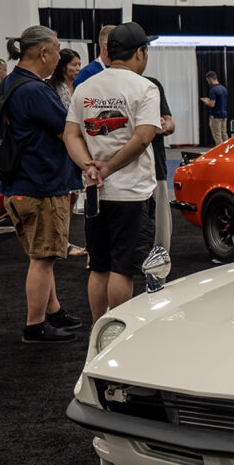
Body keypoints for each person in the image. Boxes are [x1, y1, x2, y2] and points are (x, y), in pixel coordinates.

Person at [64, 22, 161, 323]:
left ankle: (98, 328)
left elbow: (70, 134)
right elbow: (144, 137)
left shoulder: (85, 86)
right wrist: (108, 167)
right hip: (131, 193)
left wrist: (88, 167)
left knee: (99, 267)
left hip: (96, 192)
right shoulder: (145, 87)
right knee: (122, 269)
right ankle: (117, 332)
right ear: (140, 53)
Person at [0, 25, 83, 343]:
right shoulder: (35, 90)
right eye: (57, 49)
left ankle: (54, 311)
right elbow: (67, 132)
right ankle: (35, 325)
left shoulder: (11, 82)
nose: (61, 56)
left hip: (21, 184)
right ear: (44, 53)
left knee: (43, 254)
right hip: (40, 186)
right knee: (43, 259)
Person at [48, 48, 87, 257]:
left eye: (79, 64)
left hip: (77, 146)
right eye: (74, 64)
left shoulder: (80, 88)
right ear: (63, 66)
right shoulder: (52, 88)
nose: (78, 68)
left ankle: (63, 239)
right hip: (58, 149)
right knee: (60, 199)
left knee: (72, 195)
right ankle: (58, 241)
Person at [144, 76, 175, 251]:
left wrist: (164, 125)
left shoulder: (152, 85)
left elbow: (170, 124)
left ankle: (159, 262)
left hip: (156, 167)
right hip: (122, 169)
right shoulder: (109, 86)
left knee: (160, 228)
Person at [200, 71, 228, 144]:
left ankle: (221, 150)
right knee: (224, 134)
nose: (208, 82)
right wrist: (209, 100)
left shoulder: (213, 90)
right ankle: (228, 149)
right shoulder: (224, 88)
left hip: (216, 116)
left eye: (208, 80)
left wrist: (206, 102)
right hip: (224, 115)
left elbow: (212, 105)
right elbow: (219, 101)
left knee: (217, 135)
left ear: (210, 79)